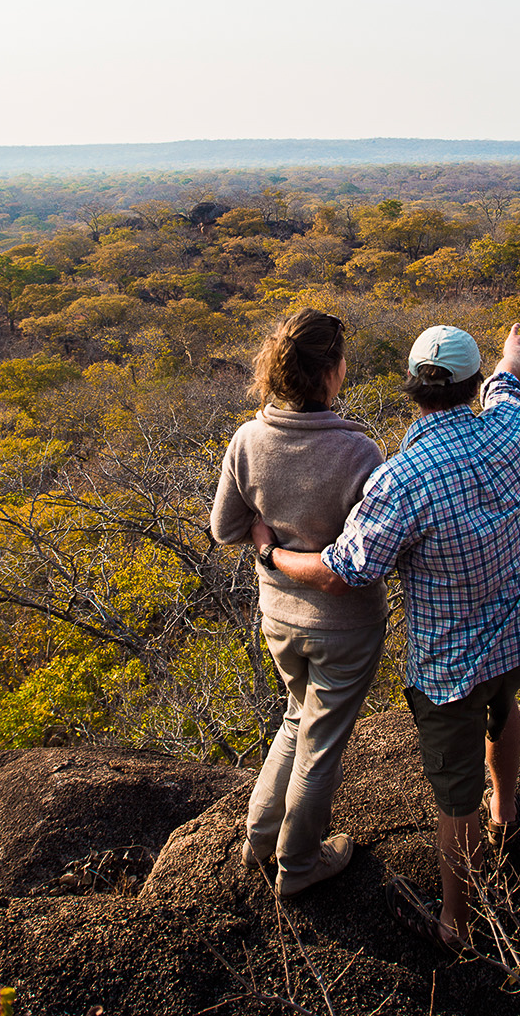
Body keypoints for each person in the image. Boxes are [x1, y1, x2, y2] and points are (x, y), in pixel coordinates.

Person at [254, 322, 520, 946]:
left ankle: (456, 924)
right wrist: (510, 357)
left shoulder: (401, 479)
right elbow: (508, 388)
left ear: (413, 388)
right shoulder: (506, 429)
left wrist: (274, 557)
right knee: (506, 706)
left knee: (453, 800)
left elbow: (343, 571)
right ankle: (508, 812)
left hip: (451, 667)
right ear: (471, 385)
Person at [209, 307, 386, 898]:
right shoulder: (358, 451)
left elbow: (225, 528)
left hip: (279, 616)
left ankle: (259, 839)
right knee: (322, 743)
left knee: (294, 716)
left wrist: (268, 540)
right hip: (345, 624)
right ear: (331, 372)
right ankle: (297, 865)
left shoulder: (249, 438)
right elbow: (370, 554)